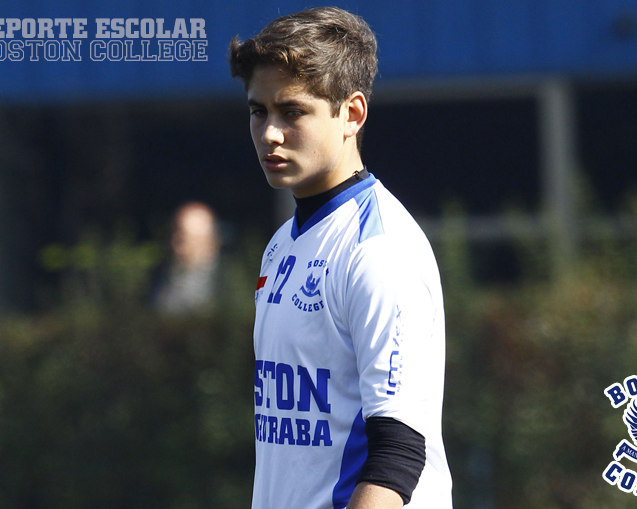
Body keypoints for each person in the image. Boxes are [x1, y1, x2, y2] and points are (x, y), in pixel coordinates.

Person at [229, 7, 452, 509]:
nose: (269, 133)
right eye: (258, 111)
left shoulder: (379, 249)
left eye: (293, 112)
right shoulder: (283, 243)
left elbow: (397, 456)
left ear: (351, 114)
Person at [153, 201, 219, 314]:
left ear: (209, 244)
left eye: (183, 239)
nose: (174, 245)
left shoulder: (225, 286)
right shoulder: (159, 276)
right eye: (174, 234)